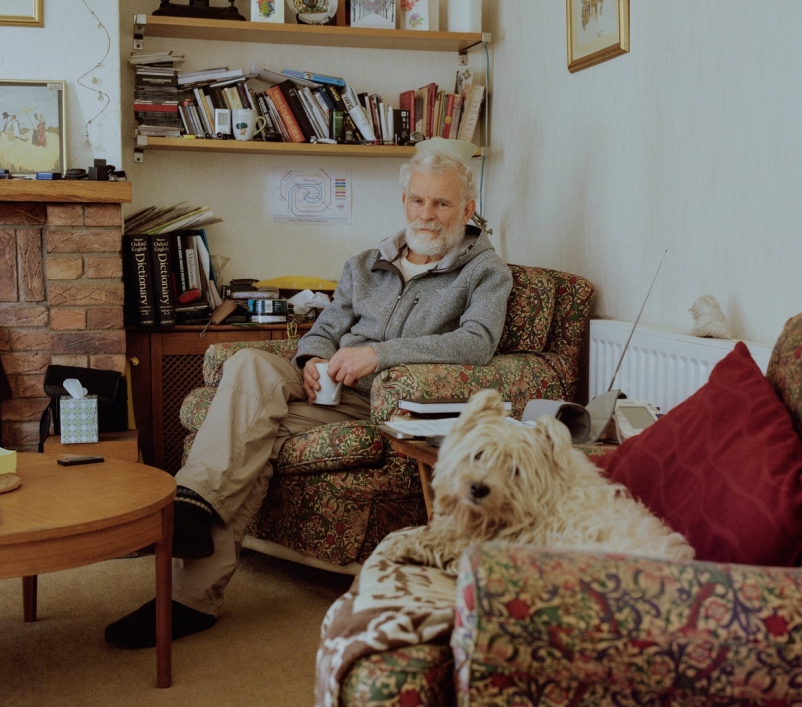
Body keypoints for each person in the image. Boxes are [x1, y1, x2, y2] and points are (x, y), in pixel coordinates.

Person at [104, 138, 514, 649]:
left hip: (386, 403)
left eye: (441, 203)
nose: (426, 214)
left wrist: (380, 355)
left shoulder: (485, 271)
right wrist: (312, 361)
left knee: (249, 435)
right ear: (404, 200)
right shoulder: (365, 264)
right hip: (327, 393)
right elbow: (323, 329)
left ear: (467, 208)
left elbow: (476, 344)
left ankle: (188, 593)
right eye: (417, 200)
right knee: (249, 364)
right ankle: (195, 511)